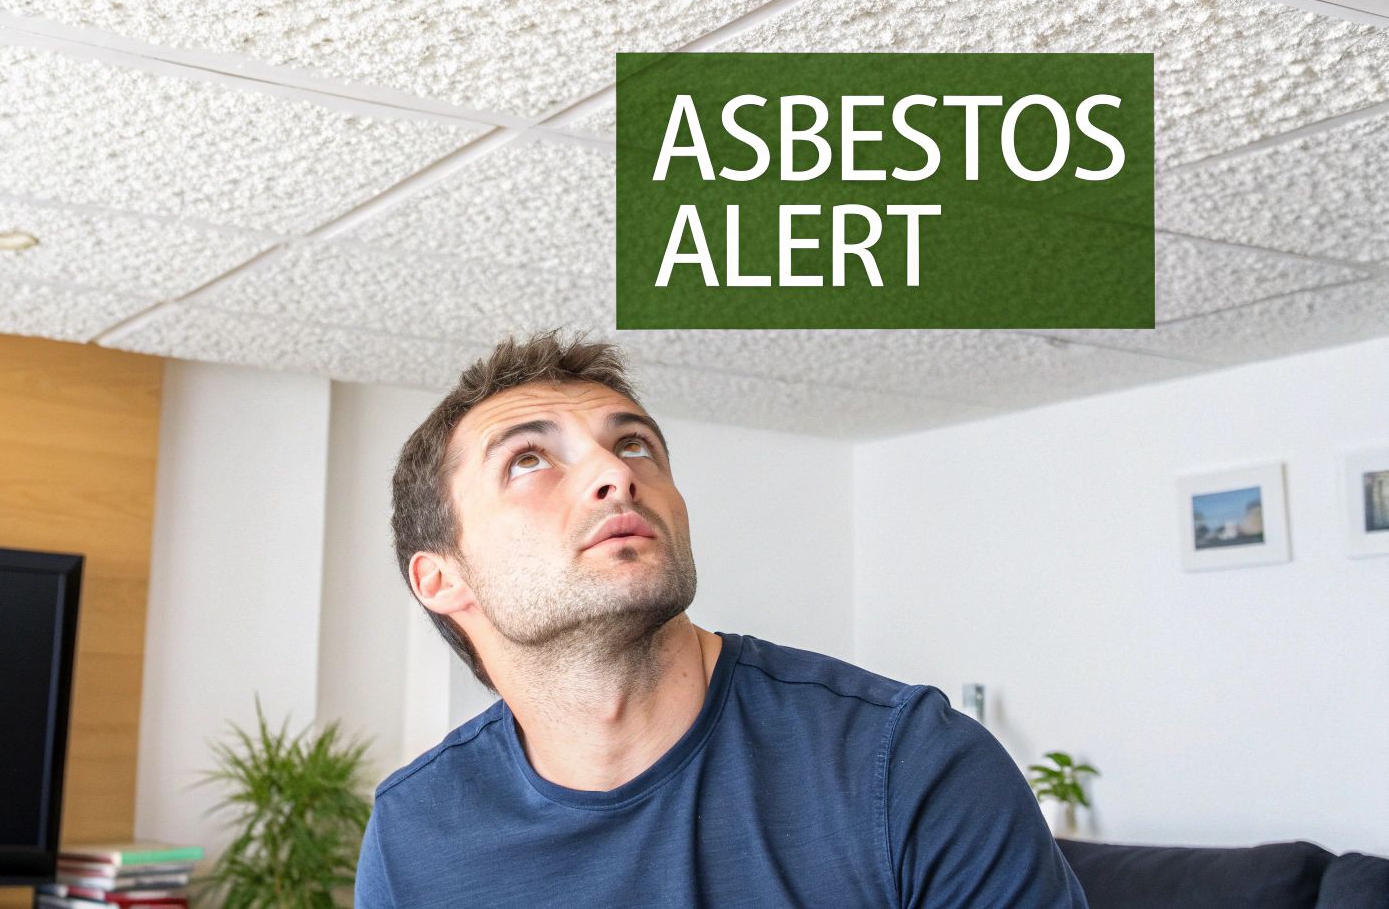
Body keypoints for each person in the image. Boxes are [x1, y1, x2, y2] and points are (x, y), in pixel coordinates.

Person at [354, 331, 1087, 908]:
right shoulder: (415, 831)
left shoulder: (910, 765)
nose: (617, 473)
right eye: (528, 460)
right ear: (442, 579)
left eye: (633, 442)